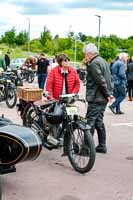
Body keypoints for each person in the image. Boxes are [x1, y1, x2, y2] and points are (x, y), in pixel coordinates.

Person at [83, 43, 114, 153]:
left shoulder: (94, 63)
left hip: (97, 97)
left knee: (89, 122)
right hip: (101, 98)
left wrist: (108, 94)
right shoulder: (102, 61)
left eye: (86, 54)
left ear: (90, 53)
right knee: (98, 121)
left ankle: (86, 148)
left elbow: (100, 80)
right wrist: (108, 93)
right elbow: (107, 78)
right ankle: (102, 145)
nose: (85, 56)